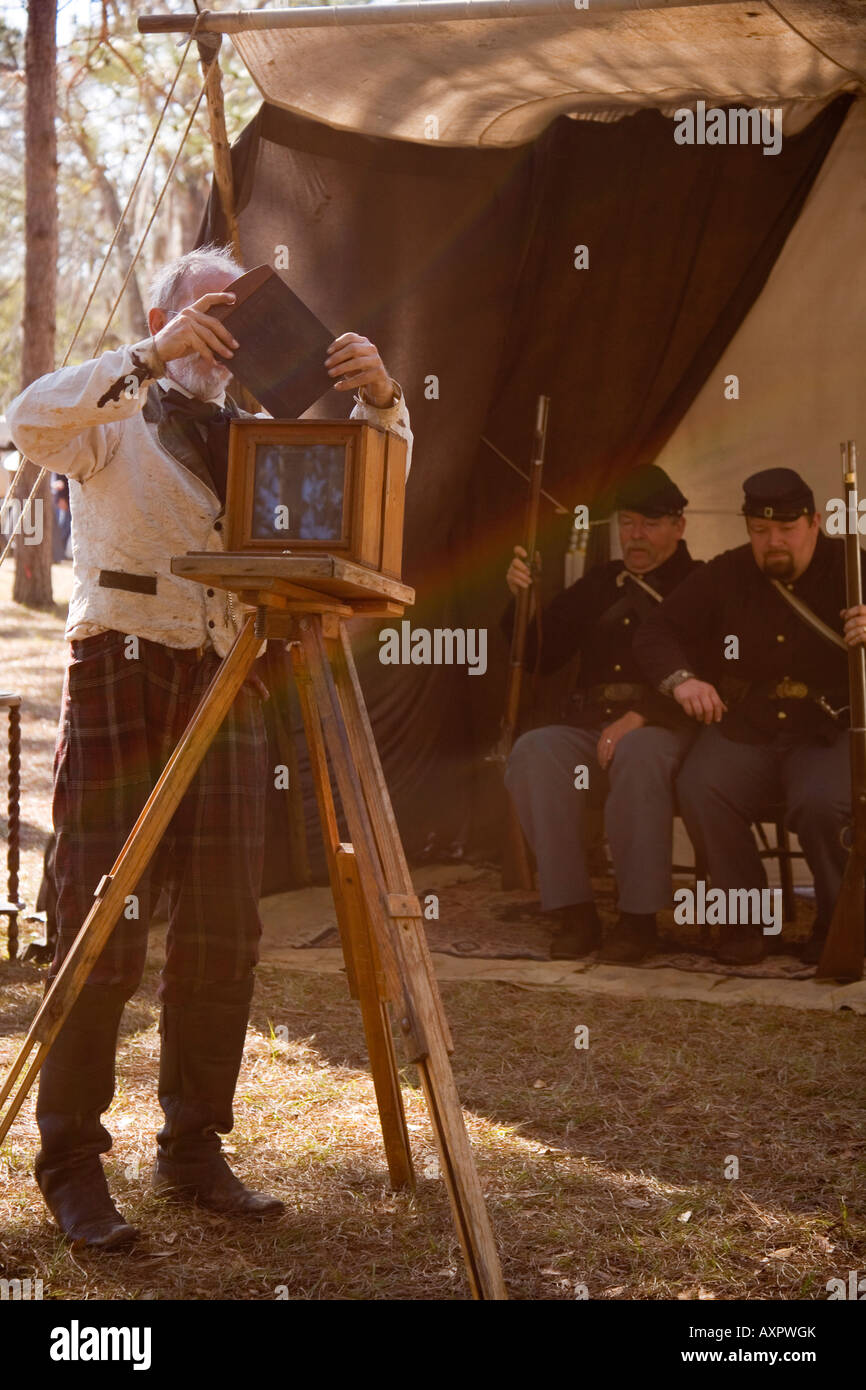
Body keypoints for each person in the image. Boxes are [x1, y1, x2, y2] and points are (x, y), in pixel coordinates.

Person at [6, 244, 413, 1250]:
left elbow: (373, 497)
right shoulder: (112, 411)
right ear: (163, 313)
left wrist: (381, 400)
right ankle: (70, 1161)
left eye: (236, 315)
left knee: (226, 924)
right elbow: (23, 419)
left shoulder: (261, 431)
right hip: (121, 666)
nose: (221, 333)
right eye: (205, 313)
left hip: (233, 678)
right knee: (100, 917)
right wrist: (150, 352)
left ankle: (193, 1147)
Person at [634, 468, 866, 966]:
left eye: (785, 529)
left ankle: (840, 922)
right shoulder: (727, 572)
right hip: (749, 726)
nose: (772, 542)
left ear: (816, 522)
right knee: (701, 787)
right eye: (760, 531)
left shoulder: (855, 569)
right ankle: (746, 919)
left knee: (822, 805)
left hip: (827, 730)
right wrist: (683, 681)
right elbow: (657, 631)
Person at [502, 464, 700, 963]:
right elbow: (542, 656)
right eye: (627, 522)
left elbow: (717, 670)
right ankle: (574, 910)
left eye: (650, 524)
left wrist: (642, 715)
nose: (635, 536)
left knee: (637, 752)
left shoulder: (702, 585)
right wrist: (521, 602)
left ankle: (638, 921)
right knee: (535, 751)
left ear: (679, 526)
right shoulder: (600, 583)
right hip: (590, 726)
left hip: (665, 726)